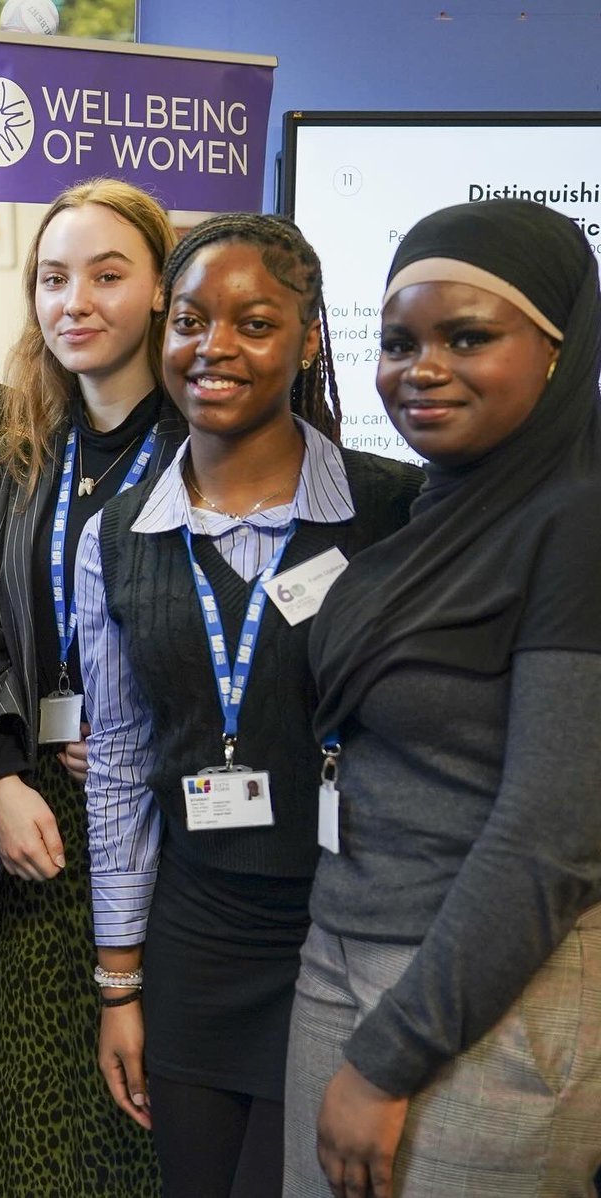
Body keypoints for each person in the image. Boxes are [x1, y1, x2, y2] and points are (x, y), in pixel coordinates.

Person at [75, 214, 423, 1198]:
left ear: (309, 339)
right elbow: (119, 767)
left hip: (344, 939)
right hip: (196, 941)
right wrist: (119, 983)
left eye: (255, 323)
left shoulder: (395, 513)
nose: (214, 347)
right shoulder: (119, 536)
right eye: (190, 321)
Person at [285, 199, 601, 1197]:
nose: (422, 369)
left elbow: (552, 833)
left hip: (486, 992)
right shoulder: (439, 508)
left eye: (468, 339)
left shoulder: (576, 525)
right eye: (399, 343)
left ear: (560, 352)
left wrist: (392, 1056)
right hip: (342, 945)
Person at [0, 178, 183, 1196]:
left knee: (146, 1126)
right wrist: (1, 775)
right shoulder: (17, 462)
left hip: (172, 832)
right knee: (31, 1137)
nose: (74, 300)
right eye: (52, 278)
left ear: (163, 290)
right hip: (37, 835)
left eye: (106, 275)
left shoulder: (210, 453)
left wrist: (149, 737)